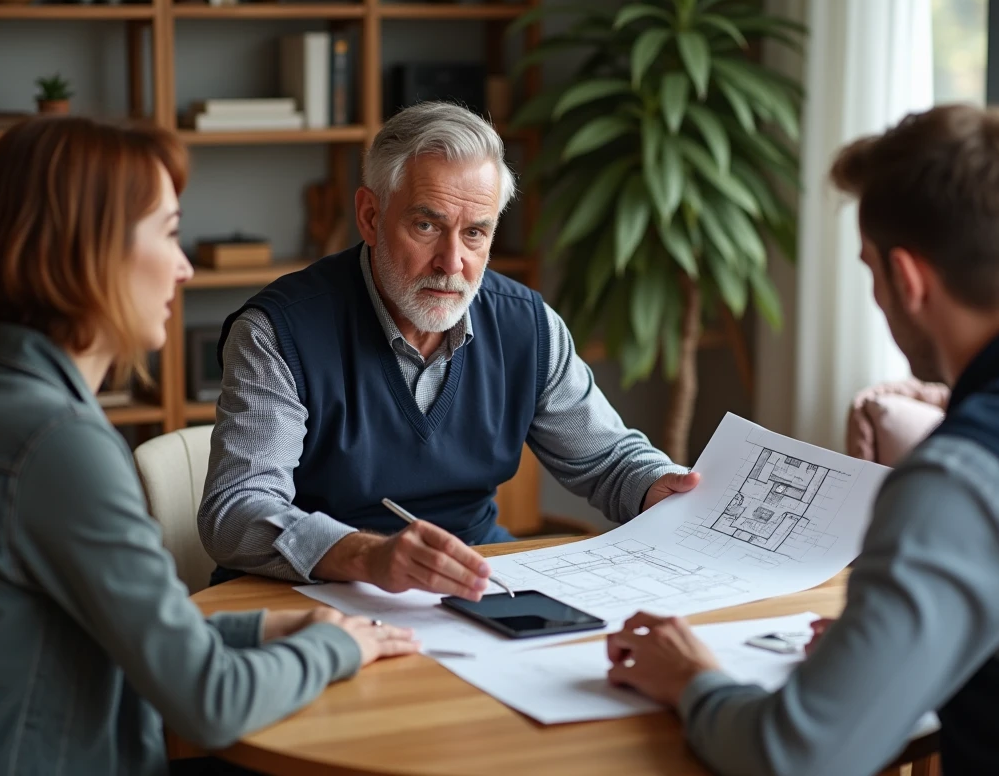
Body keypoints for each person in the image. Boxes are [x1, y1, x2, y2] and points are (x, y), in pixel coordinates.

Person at [605, 104, 999, 775]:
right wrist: (889, 657)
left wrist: (689, 678)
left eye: (870, 271)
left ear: (908, 280)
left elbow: (794, 758)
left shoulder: (963, 479)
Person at [0, 116, 417, 775]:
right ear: (89, 250)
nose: (186, 267)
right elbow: (208, 702)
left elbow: (112, 635)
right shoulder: (57, 446)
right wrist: (338, 651)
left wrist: (272, 628)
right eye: (168, 232)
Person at [199, 101, 700, 596]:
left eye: (475, 233)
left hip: (470, 580)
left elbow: (609, 460)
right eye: (426, 226)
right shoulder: (278, 333)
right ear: (371, 217)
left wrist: (660, 486)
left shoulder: (528, 326)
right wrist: (369, 556)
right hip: (317, 591)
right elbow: (236, 510)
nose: (452, 262)